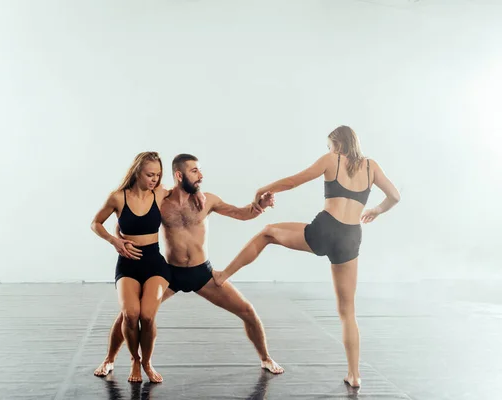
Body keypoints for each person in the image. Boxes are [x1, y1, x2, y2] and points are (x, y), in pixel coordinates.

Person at [212, 126, 401, 389]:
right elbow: (395, 196)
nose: (329, 151)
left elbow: (294, 181)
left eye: (329, 146)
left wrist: (262, 189)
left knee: (267, 232)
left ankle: (222, 275)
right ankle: (355, 375)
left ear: (337, 144)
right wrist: (376, 211)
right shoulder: (371, 167)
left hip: (325, 230)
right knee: (348, 312)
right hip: (351, 237)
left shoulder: (331, 160)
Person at [94, 153, 284, 379]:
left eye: (199, 170)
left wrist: (258, 206)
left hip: (201, 272)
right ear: (178, 175)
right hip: (169, 273)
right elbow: (128, 220)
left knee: (247, 311)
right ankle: (110, 359)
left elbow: (241, 214)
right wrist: (118, 240)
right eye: (195, 171)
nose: (200, 176)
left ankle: (265, 357)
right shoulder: (161, 200)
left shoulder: (207, 200)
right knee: (127, 315)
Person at [90, 151, 205, 383]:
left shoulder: (160, 193)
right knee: (130, 315)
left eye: (158, 175)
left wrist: (199, 191)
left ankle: (147, 362)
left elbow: (186, 188)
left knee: (148, 315)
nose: (154, 179)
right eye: (150, 174)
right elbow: (95, 223)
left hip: (155, 264)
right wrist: (115, 241)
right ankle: (133, 359)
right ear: (137, 172)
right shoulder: (118, 197)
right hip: (128, 264)